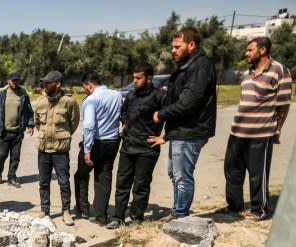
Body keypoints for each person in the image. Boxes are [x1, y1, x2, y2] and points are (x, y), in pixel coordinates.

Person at [220, 36, 291, 221]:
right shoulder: (247, 72)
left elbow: (283, 105)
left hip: (261, 132)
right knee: (231, 170)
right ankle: (234, 205)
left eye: (250, 50)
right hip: (237, 131)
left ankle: (259, 210)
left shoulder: (279, 70)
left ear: (262, 50)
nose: (246, 53)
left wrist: (278, 129)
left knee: (257, 174)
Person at [153, 26, 217, 221]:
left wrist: (161, 114)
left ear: (191, 45)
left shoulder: (200, 67)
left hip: (191, 131)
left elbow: (188, 103)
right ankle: (177, 211)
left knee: (182, 176)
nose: (173, 50)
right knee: (175, 173)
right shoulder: (189, 65)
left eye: (177, 46)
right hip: (182, 130)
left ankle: (181, 215)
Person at [108, 65, 166, 228]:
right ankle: (118, 217)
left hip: (147, 149)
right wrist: (125, 123)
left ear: (149, 78)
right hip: (128, 147)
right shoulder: (131, 95)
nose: (134, 81)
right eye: (134, 77)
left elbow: (173, 115)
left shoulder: (159, 96)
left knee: (141, 185)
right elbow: (124, 113)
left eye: (138, 78)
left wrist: (165, 138)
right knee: (122, 184)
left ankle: (136, 218)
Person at [34, 70, 79, 226]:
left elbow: (73, 123)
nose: (44, 85)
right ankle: (44, 209)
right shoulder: (40, 101)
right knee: (43, 182)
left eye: (48, 82)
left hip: (60, 150)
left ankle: (66, 211)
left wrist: (62, 135)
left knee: (64, 182)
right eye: (44, 83)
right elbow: (38, 123)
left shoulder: (69, 102)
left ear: (57, 84)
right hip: (44, 149)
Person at [80, 72, 122, 225]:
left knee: (82, 174)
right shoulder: (117, 95)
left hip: (96, 143)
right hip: (112, 141)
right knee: (104, 177)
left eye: (85, 87)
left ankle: (83, 209)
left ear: (89, 85)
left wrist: (86, 150)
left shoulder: (91, 100)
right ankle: (101, 216)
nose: (85, 90)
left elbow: (89, 126)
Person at [0, 71, 34, 188]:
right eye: (13, 80)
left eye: (17, 80)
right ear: (8, 81)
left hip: (17, 132)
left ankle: (12, 177)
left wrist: (30, 125)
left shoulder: (23, 95)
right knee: (1, 155)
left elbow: (29, 112)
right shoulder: (0, 95)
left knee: (15, 157)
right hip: (4, 131)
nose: (15, 82)